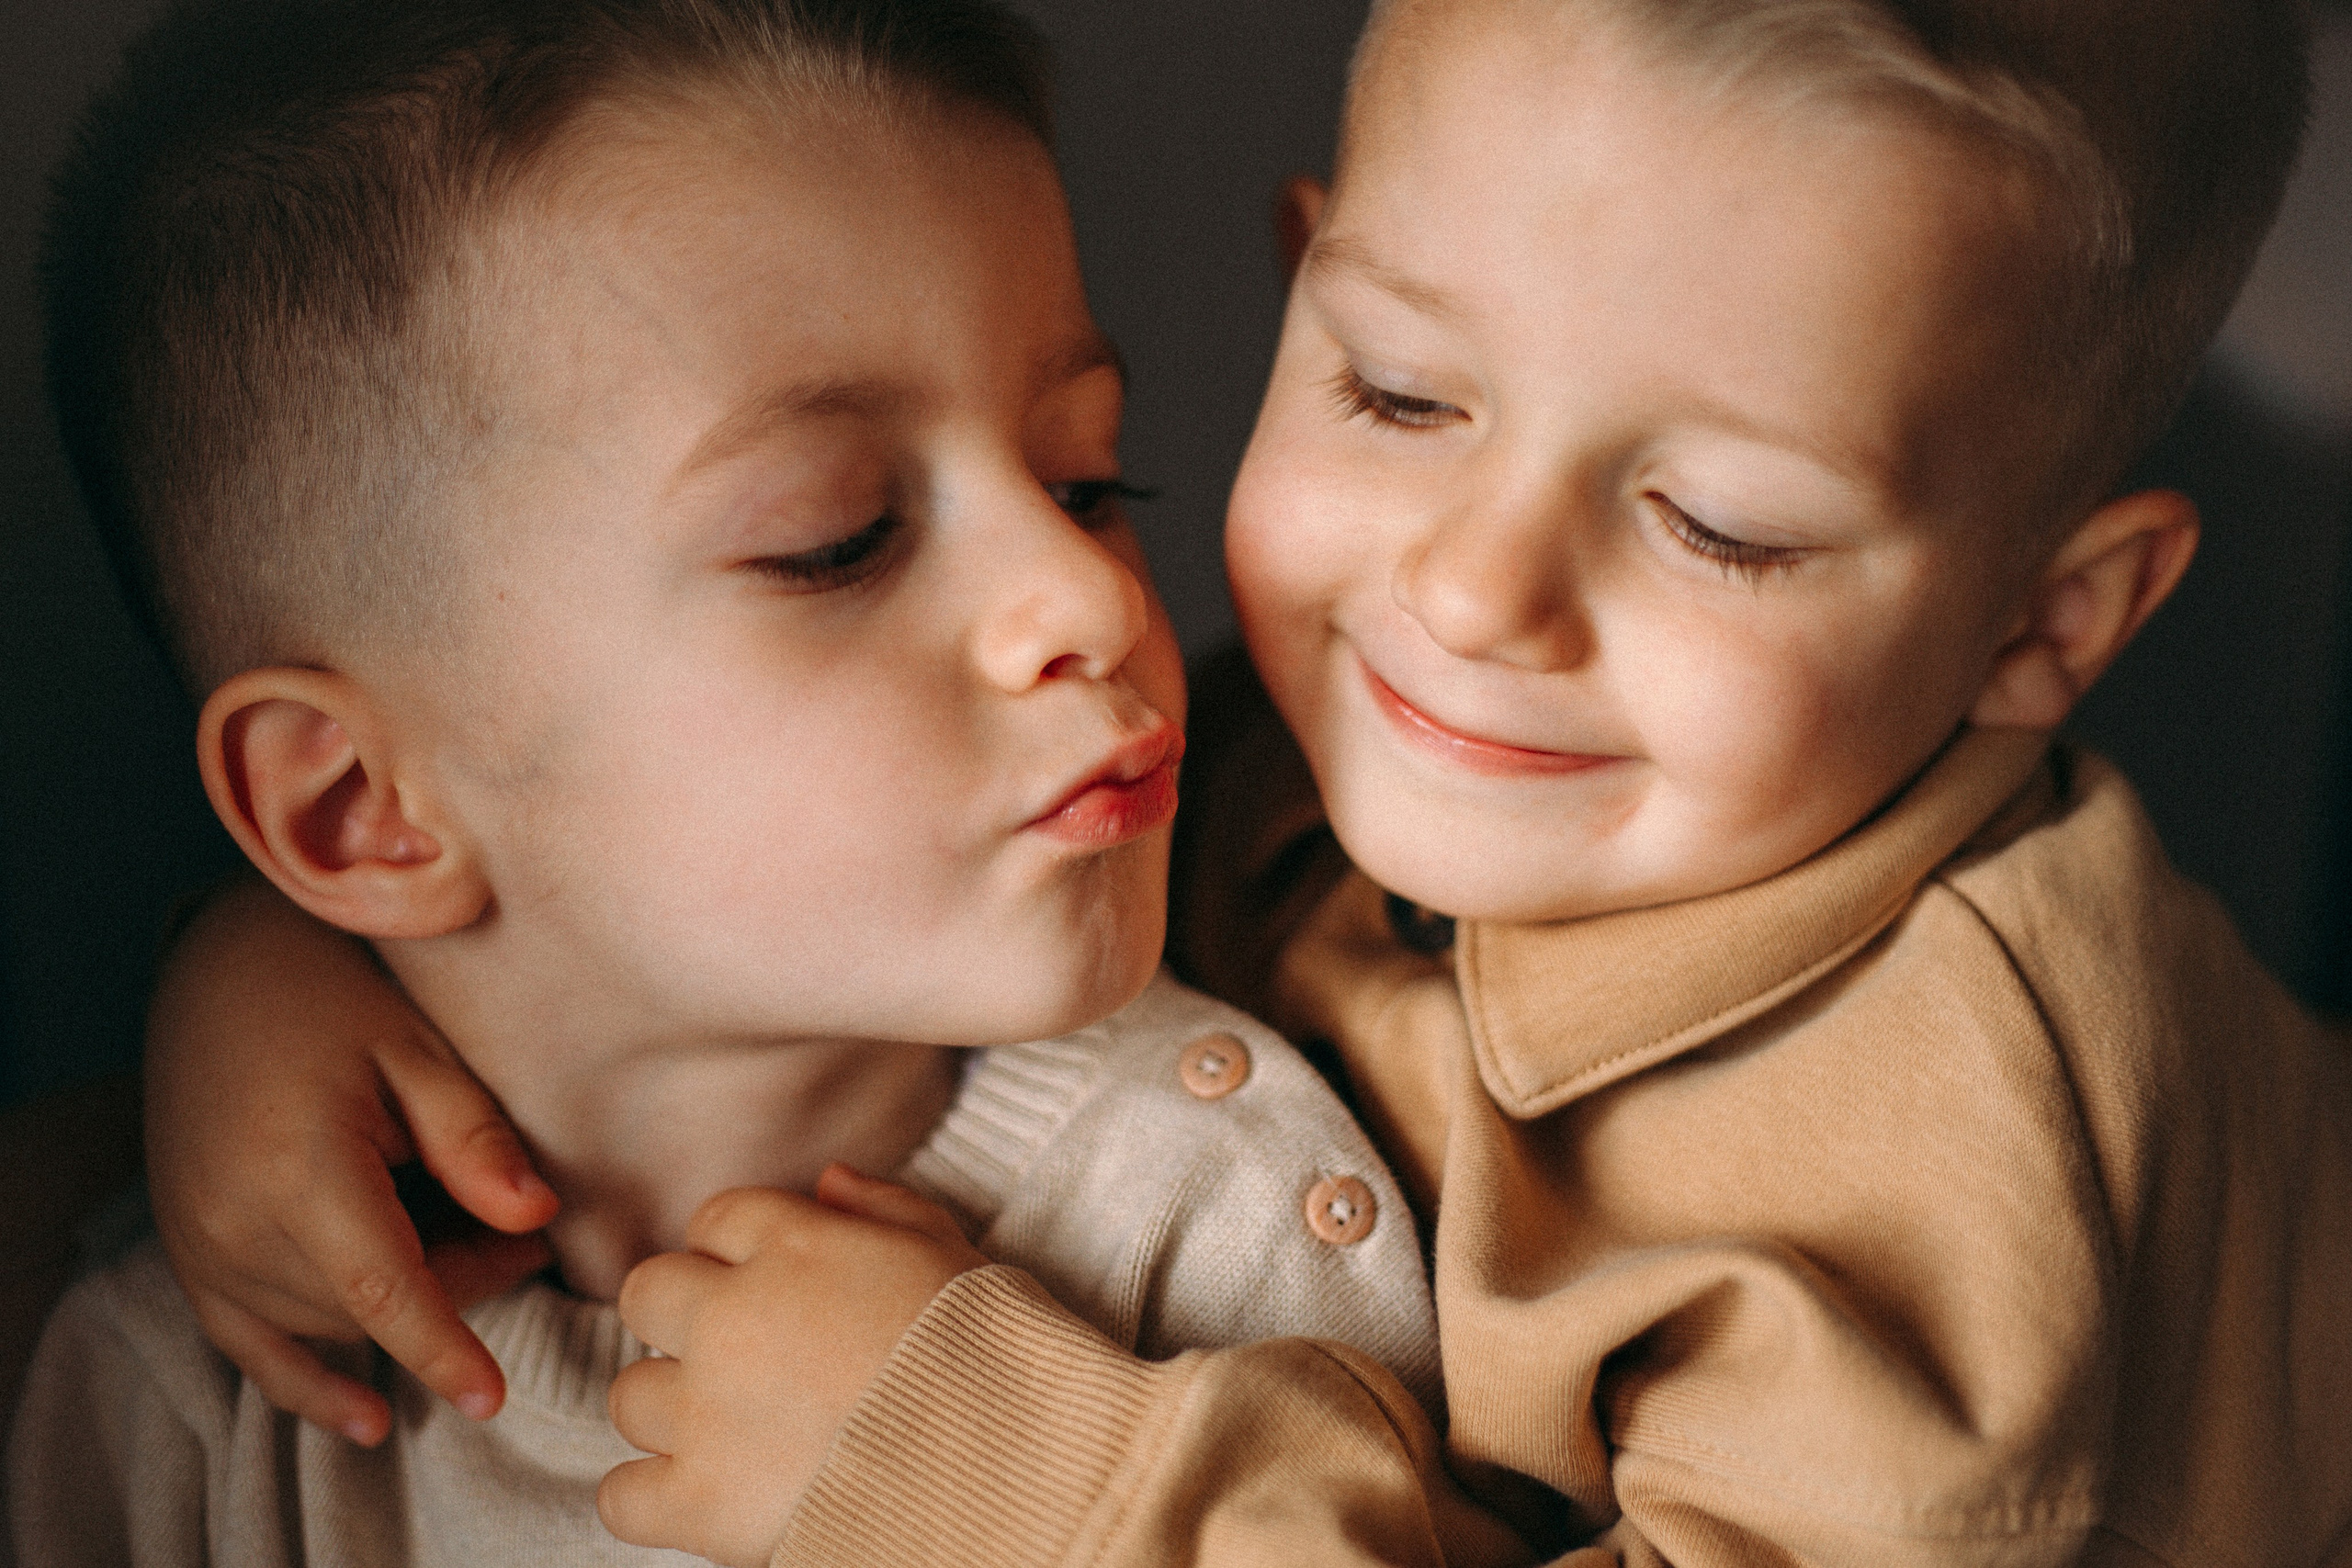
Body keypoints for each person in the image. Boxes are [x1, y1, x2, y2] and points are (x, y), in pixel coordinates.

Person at [85, 0, 2352, 1562]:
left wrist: (990, 1472)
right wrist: (278, 961)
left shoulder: (1955, 1142)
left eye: (1719, 526)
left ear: (2044, 628)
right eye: (1389, 396)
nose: (1463, 591)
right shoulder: (1338, 755)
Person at [2, 1, 1445, 1564]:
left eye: (1088, 480)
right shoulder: (181, 1421)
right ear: (356, 809)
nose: (1091, 598)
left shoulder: (1212, 1210)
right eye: (837, 541)